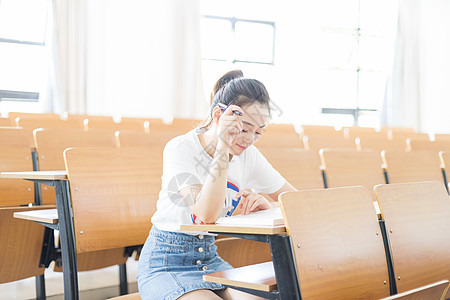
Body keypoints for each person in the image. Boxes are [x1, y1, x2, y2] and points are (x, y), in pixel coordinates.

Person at [137, 70, 296, 300]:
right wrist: (223, 148)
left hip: (210, 260)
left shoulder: (248, 155)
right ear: (219, 115)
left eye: (258, 132)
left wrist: (270, 206)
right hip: (166, 263)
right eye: (244, 129)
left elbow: (297, 203)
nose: (249, 139)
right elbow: (205, 215)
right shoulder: (180, 148)